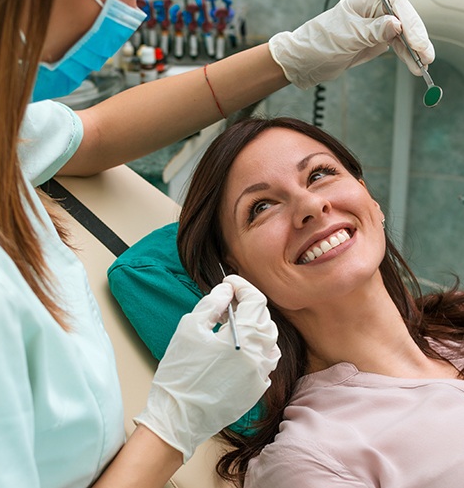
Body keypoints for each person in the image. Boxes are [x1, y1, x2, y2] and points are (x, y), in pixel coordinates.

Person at [0, 0, 435, 487]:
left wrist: (287, 56)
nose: (135, 8)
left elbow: (94, 135)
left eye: (321, 174)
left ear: (370, 196)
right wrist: (172, 424)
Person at [177, 116, 464, 488]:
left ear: (370, 200)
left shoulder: (456, 318)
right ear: (238, 274)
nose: (310, 205)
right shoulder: (311, 459)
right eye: (261, 207)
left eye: (318, 175)